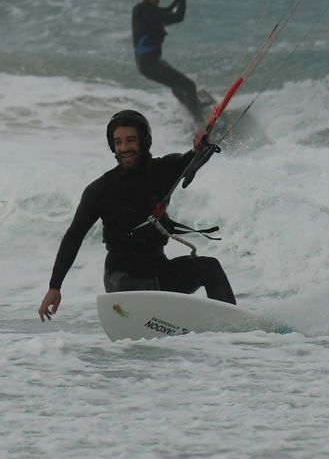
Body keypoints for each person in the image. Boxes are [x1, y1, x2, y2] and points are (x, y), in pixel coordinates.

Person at [37, 109, 235, 322]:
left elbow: (191, 160)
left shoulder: (162, 170)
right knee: (136, 290)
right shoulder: (100, 190)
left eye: (130, 140)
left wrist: (201, 145)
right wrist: (54, 287)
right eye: (118, 142)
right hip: (123, 277)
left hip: (158, 271)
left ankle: (229, 328)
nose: (124, 148)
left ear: (143, 141)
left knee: (209, 267)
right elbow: (74, 236)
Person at [132, 0, 208, 120]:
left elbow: (166, 12)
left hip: (144, 63)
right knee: (189, 85)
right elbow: (177, 17)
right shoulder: (154, 13)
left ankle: (191, 110)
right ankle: (199, 122)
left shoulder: (139, 9)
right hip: (150, 65)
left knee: (177, 84)